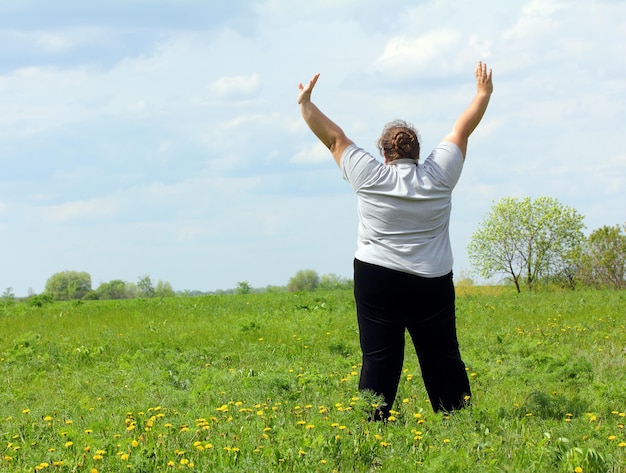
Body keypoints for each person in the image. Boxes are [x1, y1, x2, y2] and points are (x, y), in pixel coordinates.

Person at [297, 62, 493, 418]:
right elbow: (462, 130)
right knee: (441, 355)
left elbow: (334, 138)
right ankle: (458, 421)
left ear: (384, 155)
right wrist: (482, 94)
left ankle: (373, 425)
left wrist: (306, 105)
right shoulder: (438, 175)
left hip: (378, 278)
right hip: (431, 281)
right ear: (419, 153)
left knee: (378, 357)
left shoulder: (370, 176)